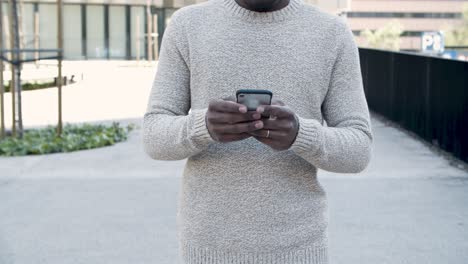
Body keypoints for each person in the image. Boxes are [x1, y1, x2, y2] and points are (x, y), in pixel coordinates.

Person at [142, 0, 373, 262]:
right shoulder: (187, 26)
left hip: (299, 249)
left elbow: (359, 149)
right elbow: (153, 135)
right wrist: (203, 127)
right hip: (207, 249)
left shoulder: (332, 33)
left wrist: (301, 134)